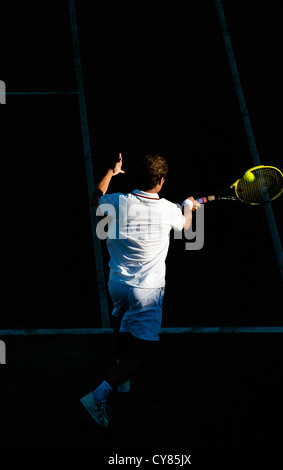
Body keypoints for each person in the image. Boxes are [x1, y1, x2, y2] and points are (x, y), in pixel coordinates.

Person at [80, 152, 200, 428]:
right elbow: (185, 228)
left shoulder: (117, 201)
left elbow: (95, 199)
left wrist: (111, 172)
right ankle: (99, 395)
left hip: (117, 284)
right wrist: (188, 207)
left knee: (121, 322)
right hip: (147, 292)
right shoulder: (169, 209)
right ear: (160, 181)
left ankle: (122, 376)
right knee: (145, 353)